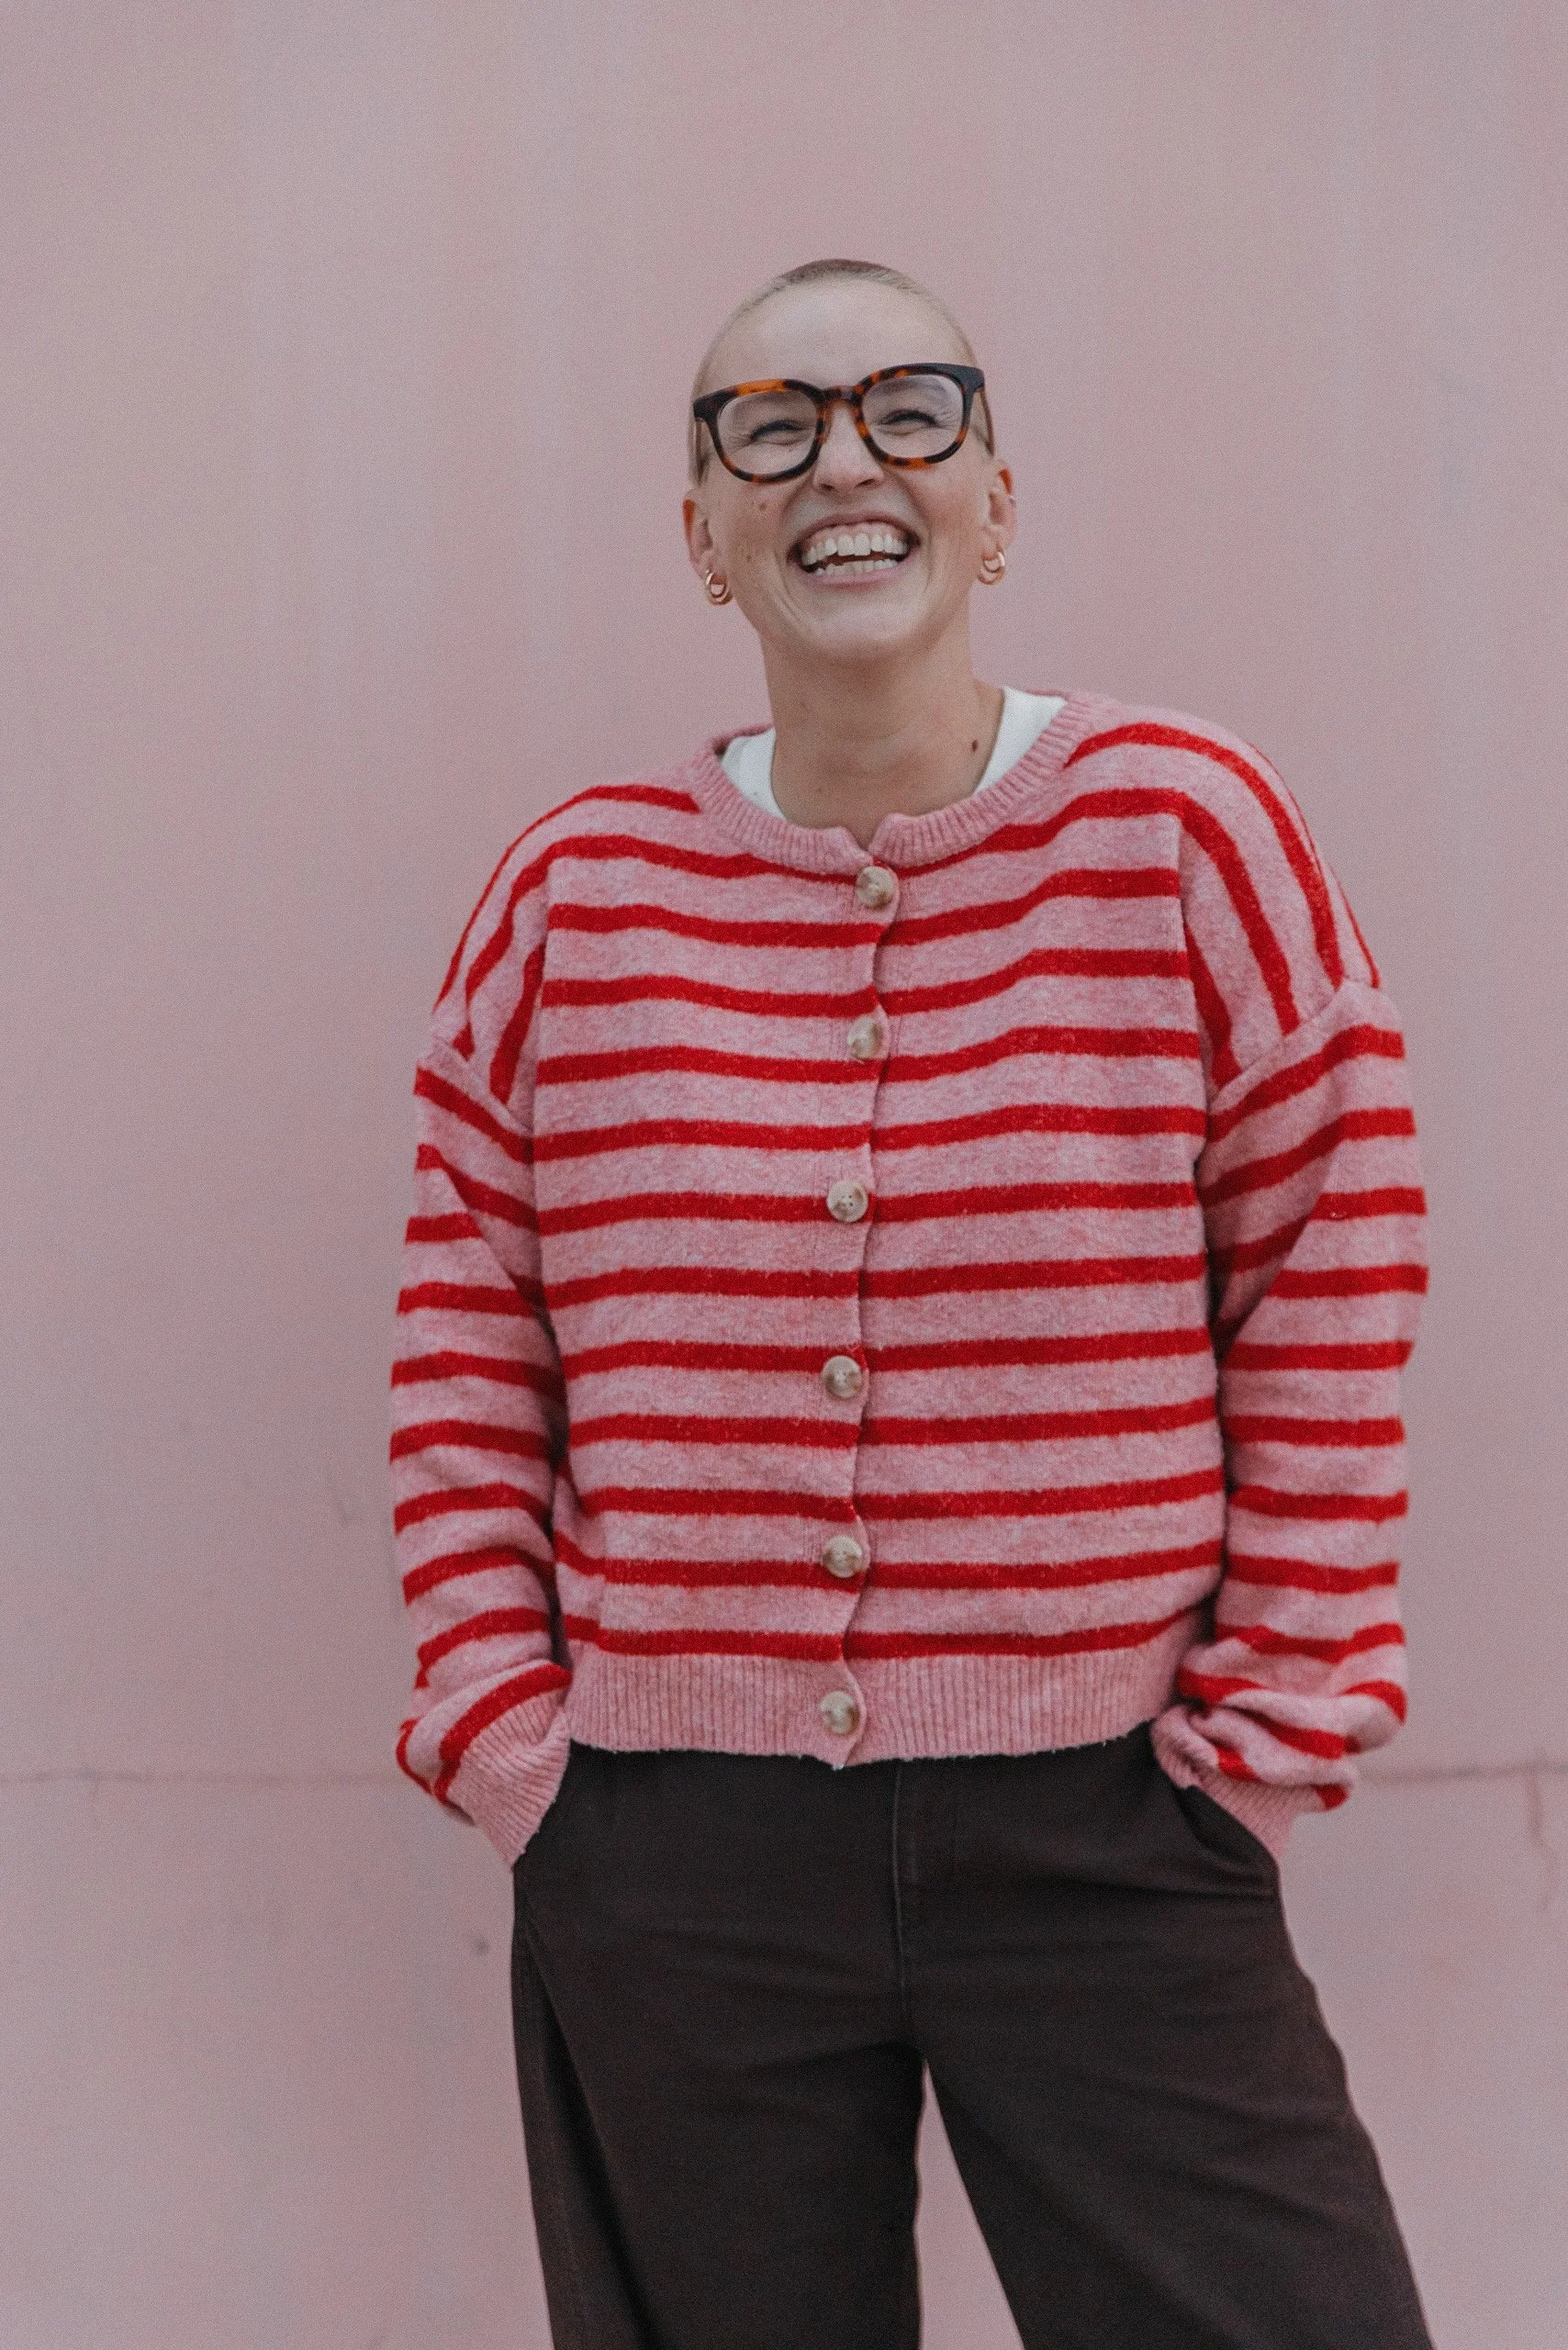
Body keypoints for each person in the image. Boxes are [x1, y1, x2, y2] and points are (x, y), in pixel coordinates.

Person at [390, 258, 1433, 2349]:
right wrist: (515, 1750)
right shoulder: (572, 899)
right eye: (768, 427)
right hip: (670, 1844)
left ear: (995, 497)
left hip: (1113, 1814)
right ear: (704, 532)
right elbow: (467, 1333)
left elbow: (1332, 1262)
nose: (842, 463)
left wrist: (1257, 1744)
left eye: (909, 411)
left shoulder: (1183, 831)